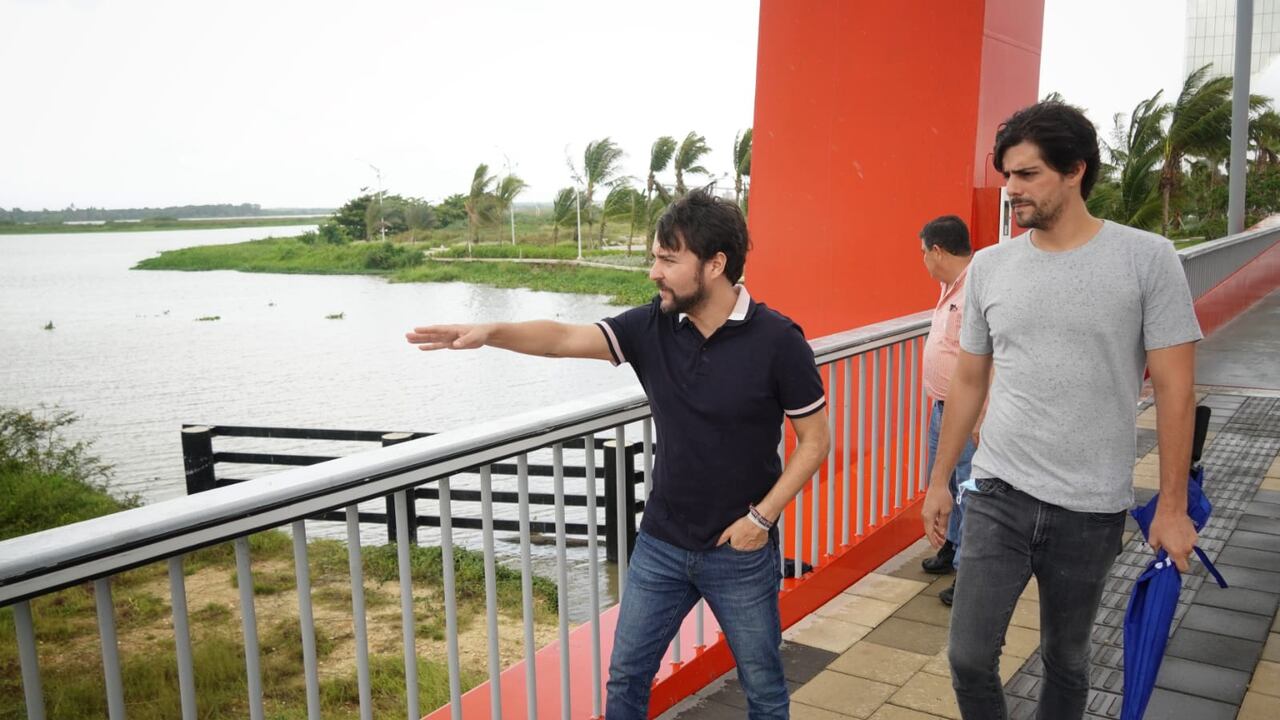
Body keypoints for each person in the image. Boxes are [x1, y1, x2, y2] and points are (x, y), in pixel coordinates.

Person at [406, 190, 830, 720]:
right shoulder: (653, 326)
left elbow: (815, 441)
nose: (654, 272)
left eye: (668, 260)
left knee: (763, 687)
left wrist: (760, 520)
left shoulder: (778, 340)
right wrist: (492, 332)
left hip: (740, 550)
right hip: (661, 543)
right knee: (626, 677)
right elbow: (563, 338)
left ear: (715, 264)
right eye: (654, 257)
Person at [921, 101, 1202, 720]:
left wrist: (1173, 506)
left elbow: (1177, 390)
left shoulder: (1147, 258)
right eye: (1007, 176)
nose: (1011, 189)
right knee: (968, 657)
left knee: (1066, 660)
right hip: (998, 491)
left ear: (1075, 170)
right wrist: (940, 481)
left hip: (1091, 505)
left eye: (1028, 175)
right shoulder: (990, 265)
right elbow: (969, 379)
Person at [917, 215, 978, 606]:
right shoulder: (950, 287)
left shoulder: (975, 288)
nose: (923, 259)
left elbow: (986, 359)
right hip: (942, 406)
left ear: (938, 251)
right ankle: (951, 546)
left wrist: (980, 414)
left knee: (970, 490)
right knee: (949, 484)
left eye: (924, 252)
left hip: (966, 412)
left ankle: (969, 573)